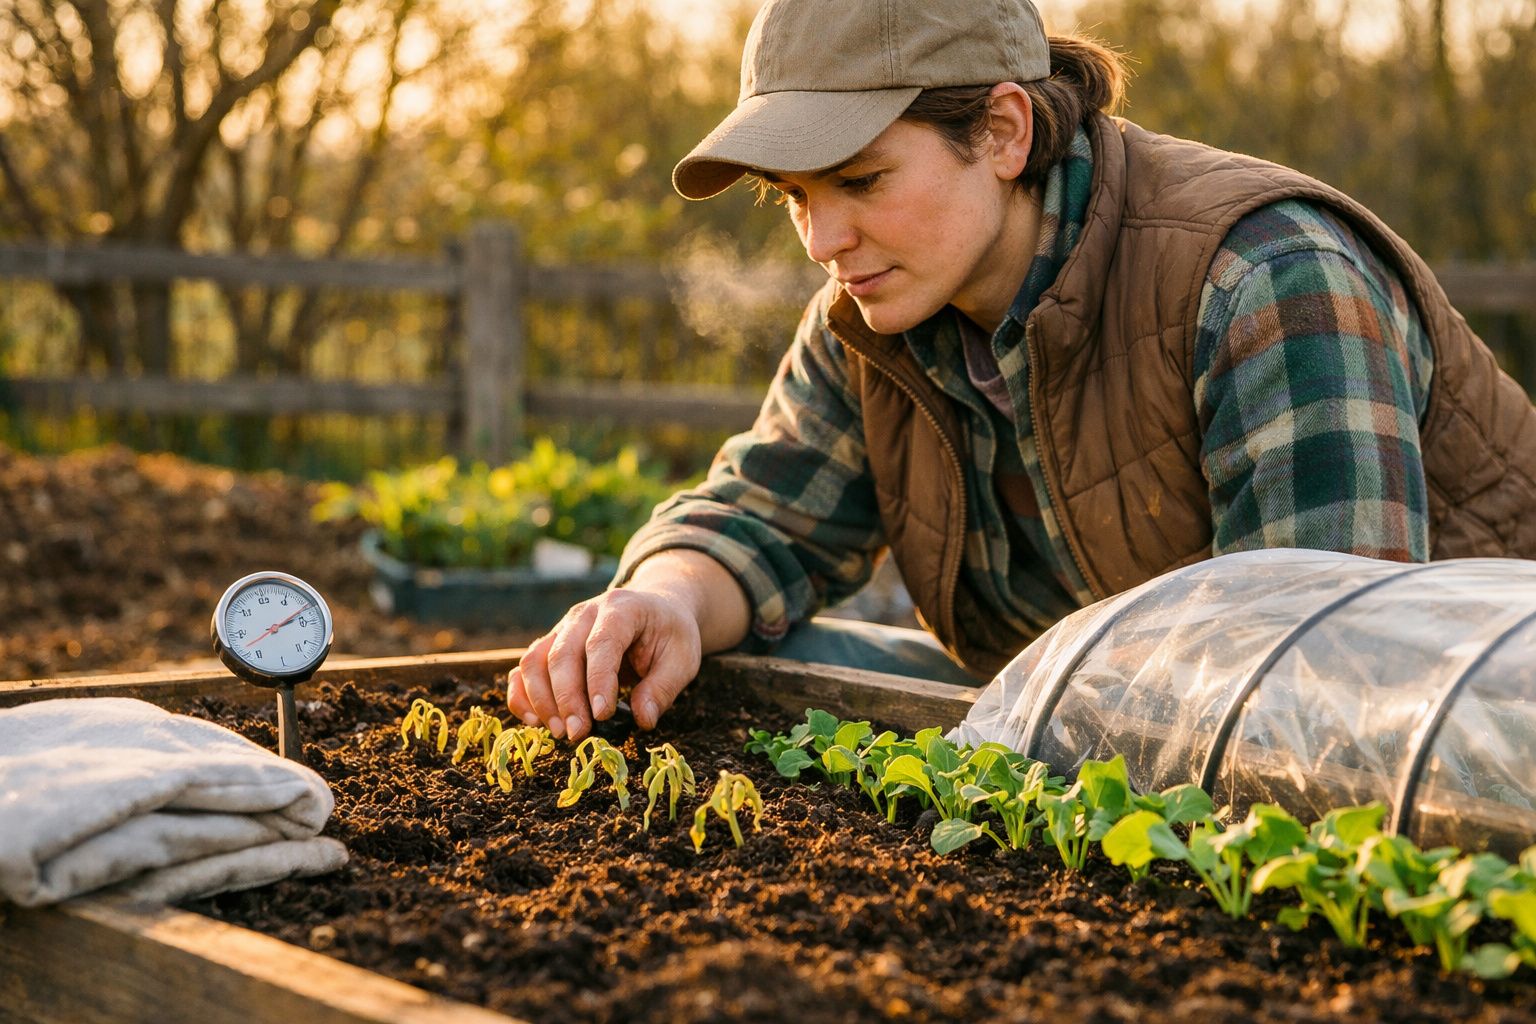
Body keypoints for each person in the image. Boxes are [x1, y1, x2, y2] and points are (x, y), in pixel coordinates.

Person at [507, 0, 1536, 743]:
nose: (823, 238)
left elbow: (1330, 683)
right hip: (1118, 727)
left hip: (1472, 742)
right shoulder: (877, 315)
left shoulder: (1264, 275)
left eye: (860, 180)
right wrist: (666, 599)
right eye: (791, 196)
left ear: (1001, 132)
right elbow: (764, 518)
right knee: (720, 671)